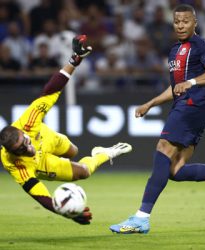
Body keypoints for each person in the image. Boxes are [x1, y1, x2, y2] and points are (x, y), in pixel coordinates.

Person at [109, 4, 205, 235]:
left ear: (195, 22)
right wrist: (151, 103)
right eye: (177, 21)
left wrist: (193, 82)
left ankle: (141, 218)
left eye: (185, 21)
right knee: (175, 170)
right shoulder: (175, 50)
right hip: (186, 105)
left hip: (193, 104)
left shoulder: (201, 44)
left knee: (163, 149)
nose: (180, 25)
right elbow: (175, 87)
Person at [0, 35, 132, 225]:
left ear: (22, 132)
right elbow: (40, 196)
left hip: (47, 138)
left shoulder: (29, 121)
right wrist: (66, 213)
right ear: (11, 153)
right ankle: (103, 154)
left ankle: (73, 154)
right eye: (20, 150)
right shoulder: (15, 165)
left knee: (73, 151)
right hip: (41, 163)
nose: (27, 149)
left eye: (25, 142)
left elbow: (51, 90)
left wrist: (74, 61)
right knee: (84, 172)